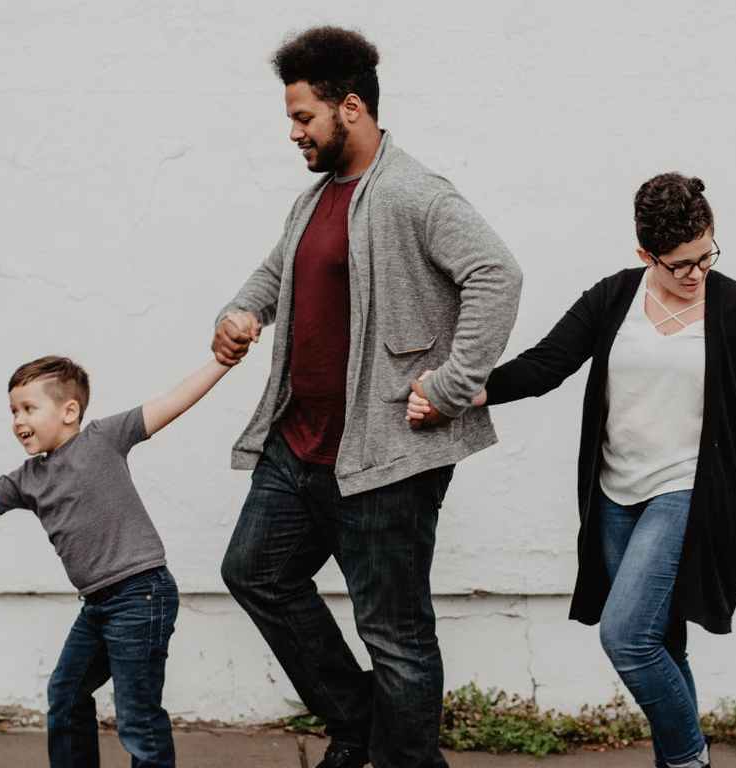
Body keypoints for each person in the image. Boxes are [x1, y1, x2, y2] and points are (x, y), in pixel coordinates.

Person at [408, 172, 736, 768]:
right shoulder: (614, 298)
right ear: (646, 254)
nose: (696, 273)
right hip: (614, 496)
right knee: (660, 639)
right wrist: (461, 393)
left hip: (687, 491)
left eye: (706, 256)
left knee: (626, 637)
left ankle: (688, 759)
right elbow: (546, 364)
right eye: (680, 264)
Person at [212, 25, 523, 768]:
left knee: (395, 636)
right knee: (255, 573)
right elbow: (278, 271)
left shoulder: (415, 193)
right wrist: (243, 311)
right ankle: (359, 728)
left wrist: (451, 387)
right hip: (299, 445)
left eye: (303, 117)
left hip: (384, 458)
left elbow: (497, 276)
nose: (294, 132)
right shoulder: (314, 200)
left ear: (349, 107)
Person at [0, 355, 232, 768]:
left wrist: (223, 361)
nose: (18, 420)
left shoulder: (103, 439)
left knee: (137, 718)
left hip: (141, 594)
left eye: (28, 408)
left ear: (69, 411)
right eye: (13, 411)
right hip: (98, 605)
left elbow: (172, 402)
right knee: (66, 695)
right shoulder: (29, 479)